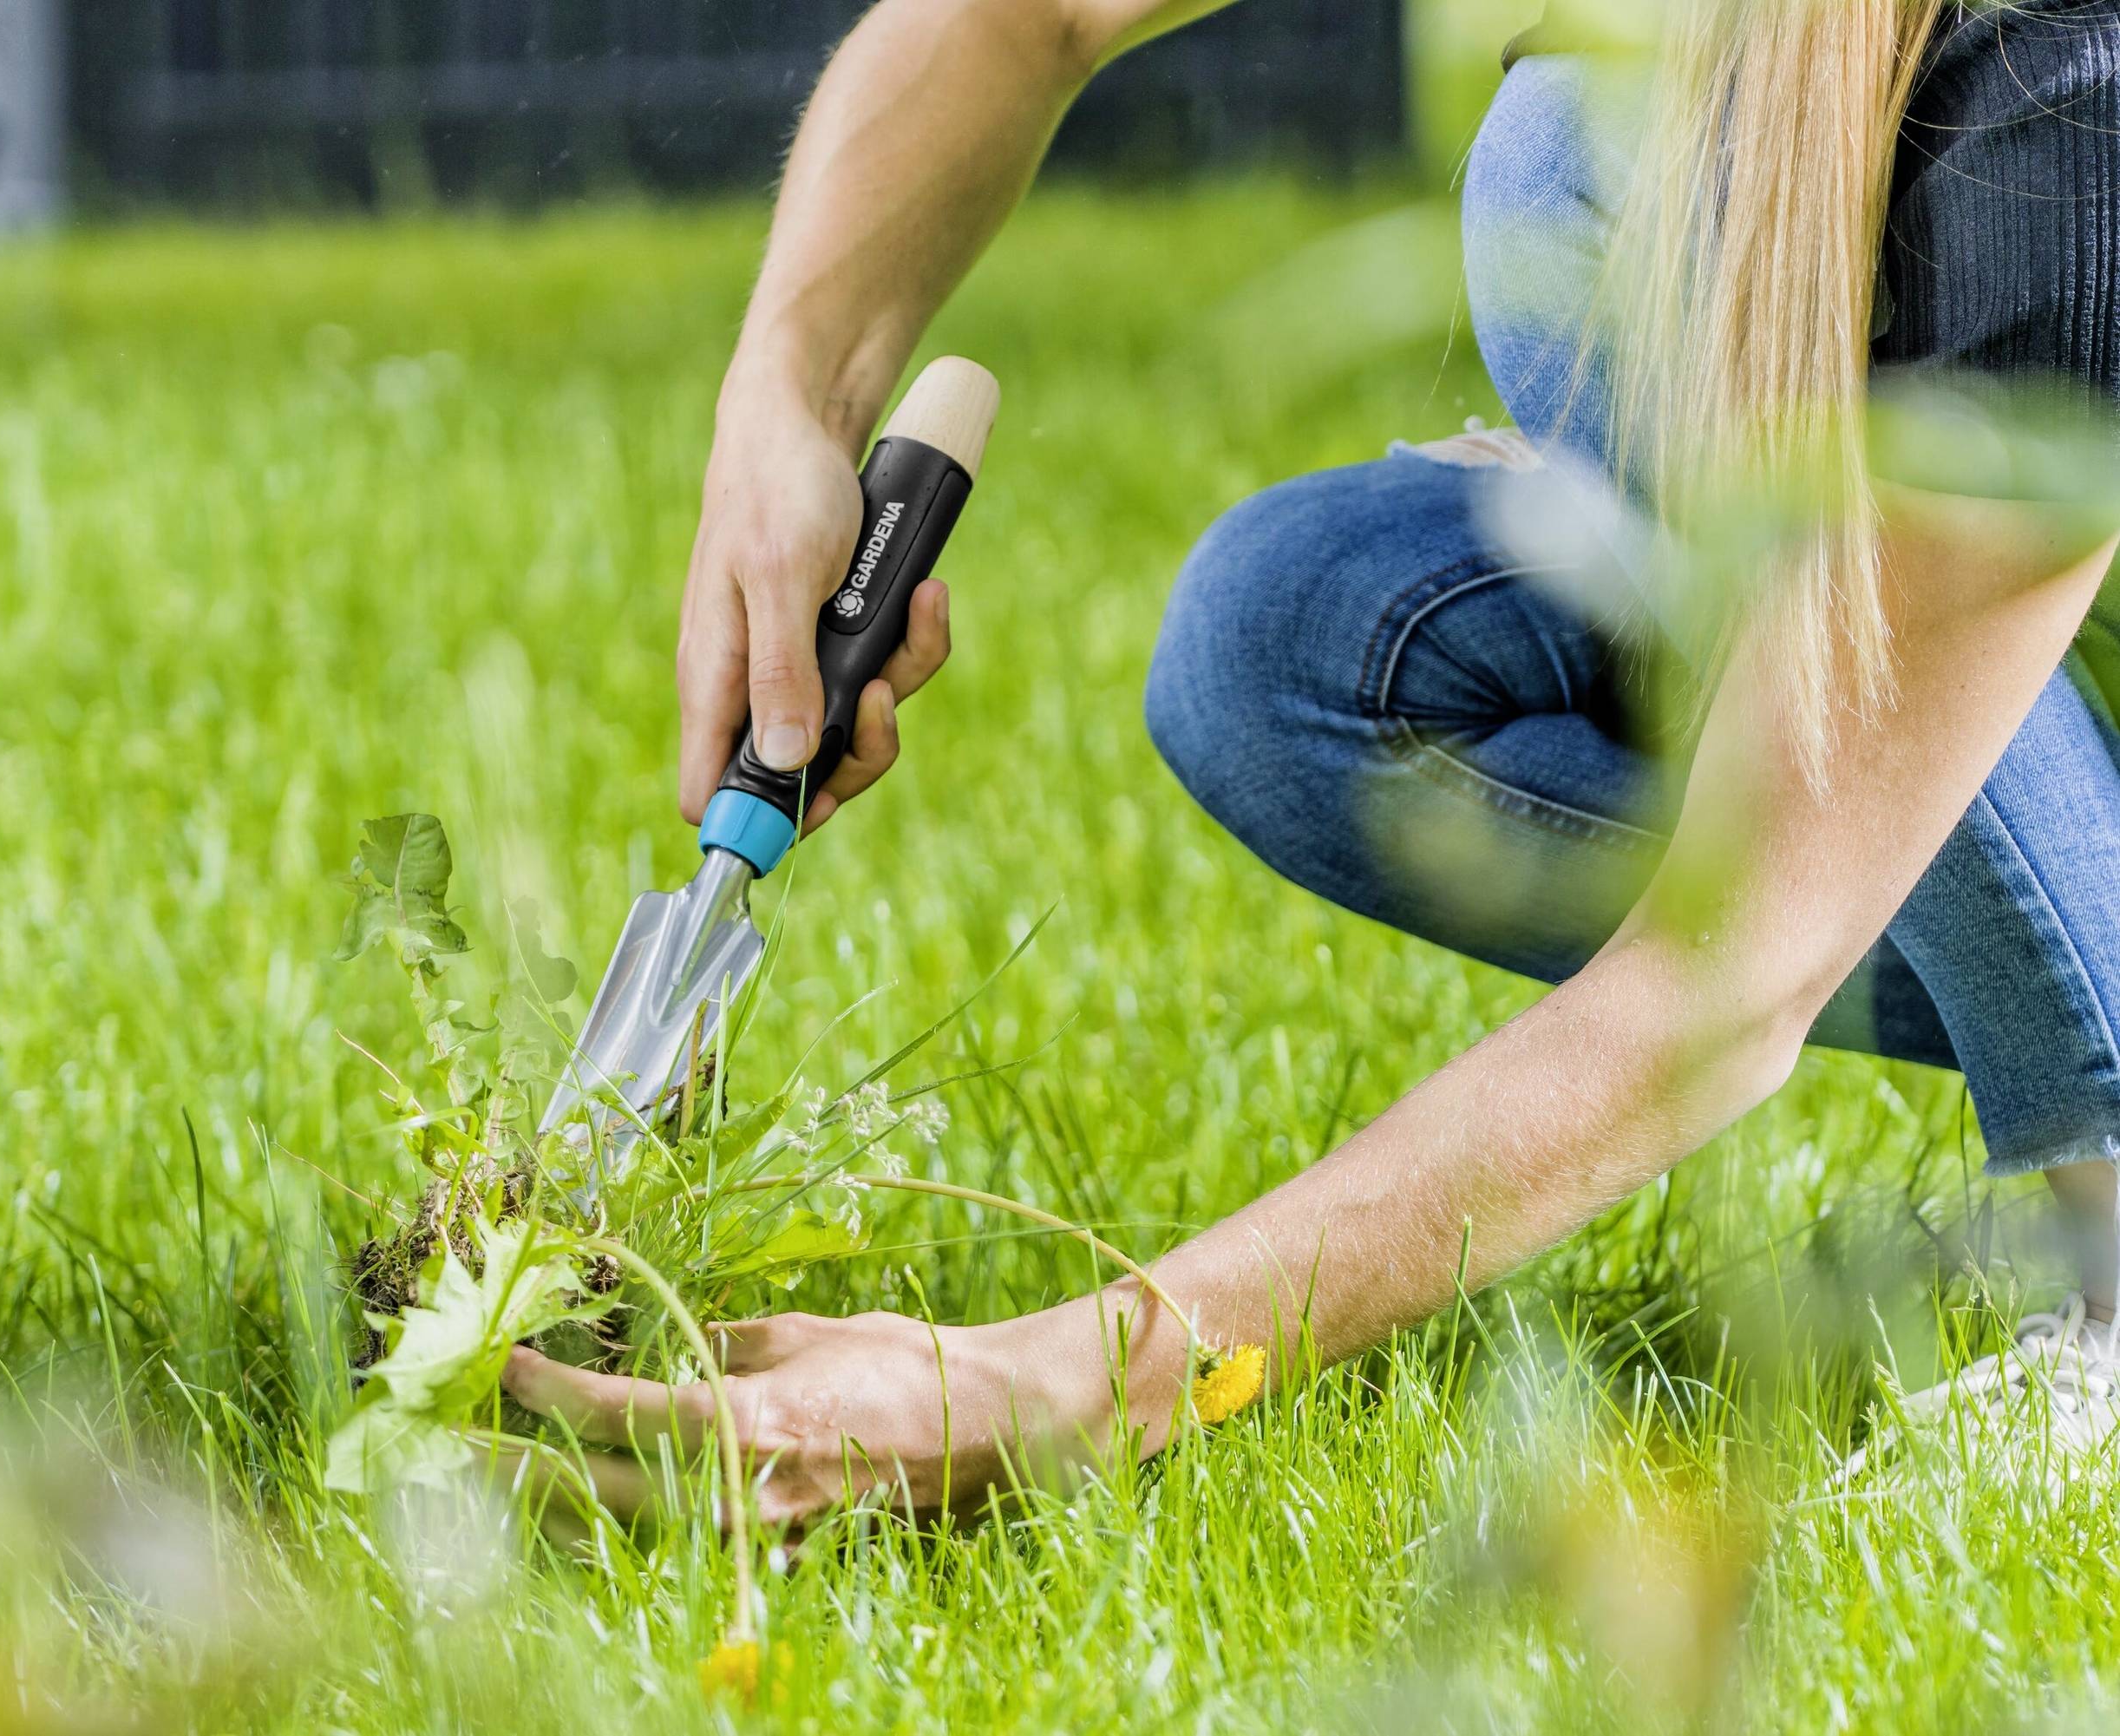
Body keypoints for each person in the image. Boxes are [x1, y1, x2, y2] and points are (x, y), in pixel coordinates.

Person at [504, 0, 2120, 1519]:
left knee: (1588, 175)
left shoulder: (2076, 100)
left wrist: (1062, 1380)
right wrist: (785, 391)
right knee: (1292, 636)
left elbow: (1723, 974)